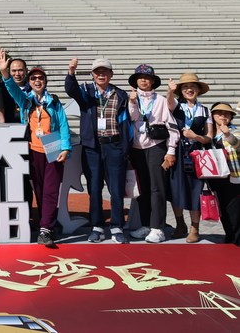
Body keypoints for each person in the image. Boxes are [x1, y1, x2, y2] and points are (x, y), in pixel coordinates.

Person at [0, 47, 70, 247]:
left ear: (45, 82)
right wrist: (4, 72)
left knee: (51, 189)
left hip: (52, 143)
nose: (37, 81)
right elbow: (11, 88)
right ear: (29, 82)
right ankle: (45, 223)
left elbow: (63, 124)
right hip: (32, 147)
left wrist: (65, 147)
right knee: (38, 188)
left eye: (41, 79)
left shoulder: (53, 101)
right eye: (34, 78)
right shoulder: (26, 101)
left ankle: (46, 229)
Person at [64, 57, 132, 243]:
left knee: (116, 189)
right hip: (92, 147)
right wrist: (71, 71)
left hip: (114, 145)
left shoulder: (121, 94)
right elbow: (70, 90)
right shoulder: (86, 91)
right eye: (97, 72)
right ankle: (97, 226)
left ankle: (117, 226)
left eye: (105, 72)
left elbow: (126, 122)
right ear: (93, 75)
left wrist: (125, 147)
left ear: (111, 74)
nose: (101, 75)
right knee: (94, 188)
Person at [125, 64, 178, 243]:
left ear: (153, 81)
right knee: (142, 189)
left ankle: (158, 228)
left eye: (147, 78)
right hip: (136, 148)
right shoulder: (130, 98)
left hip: (156, 147)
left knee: (157, 188)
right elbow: (132, 118)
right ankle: (146, 225)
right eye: (140, 77)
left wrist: (171, 150)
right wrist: (132, 102)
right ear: (136, 81)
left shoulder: (161, 100)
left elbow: (172, 125)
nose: (143, 80)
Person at [166, 72, 214, 243]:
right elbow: (169, 103)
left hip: (196, 154)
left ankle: (195, 228)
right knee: (175, 189)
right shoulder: (176, 106)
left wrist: (196, 137)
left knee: (195, 192)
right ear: (181, 90)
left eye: (193, 86)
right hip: (177, 152)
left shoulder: (205, 110)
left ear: (198, 90)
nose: (189, 89)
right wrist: (170, 91)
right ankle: (180, 225)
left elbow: (209, 136)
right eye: (185, 87)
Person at [210, 102, 240, 245]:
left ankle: (236, 240)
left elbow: (238, 146)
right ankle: (229, 236)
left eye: (226, 113)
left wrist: (227, 134)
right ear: (213, 115)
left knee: (233, 210)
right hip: (215, 177)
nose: (223, 116)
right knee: (223, 210)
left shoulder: (235, 131)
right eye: (219, 113)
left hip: (233, 176)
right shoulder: (209, 133)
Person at [2, 57, 29, 123]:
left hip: (27, 128)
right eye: (14, 71)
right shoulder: (1, 89)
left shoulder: (34, 90)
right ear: (9, 72)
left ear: (26, 71)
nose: (17, 74)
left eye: (20, 70)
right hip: (8, 129)